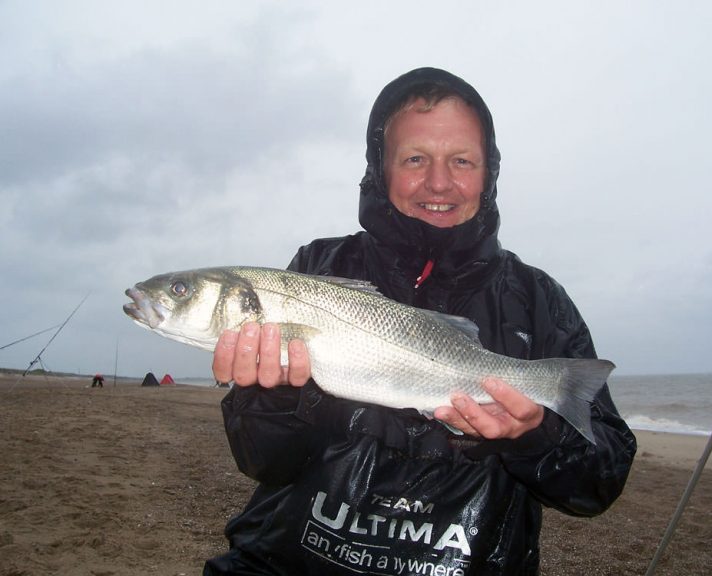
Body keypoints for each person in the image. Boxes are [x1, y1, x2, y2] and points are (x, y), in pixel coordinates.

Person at [204, 67, 637, 575]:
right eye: (415, 159)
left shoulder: (537, 299)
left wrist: (535, 434)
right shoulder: (320, 270)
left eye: (461, 160)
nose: (439, 182)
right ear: (379, 168)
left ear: (489, 172)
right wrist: (273, 399)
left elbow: (597, 486)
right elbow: (264, 463)